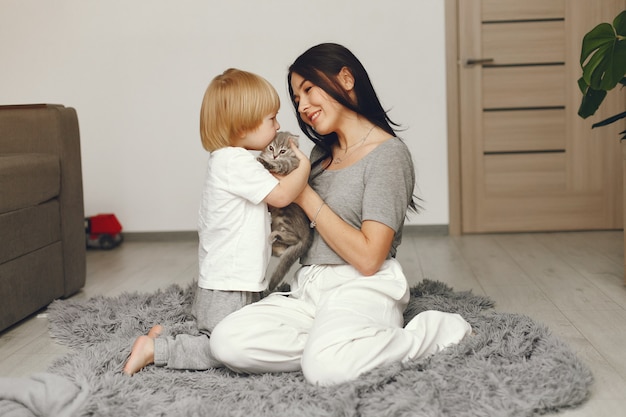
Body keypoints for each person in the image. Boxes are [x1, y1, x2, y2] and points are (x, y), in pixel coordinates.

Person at [209, 43, 472, 386]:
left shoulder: (388, 155)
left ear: (346, 78)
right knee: (227, 341)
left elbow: (368, 257)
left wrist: (303, 195)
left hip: (361, 286)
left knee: (327, 370)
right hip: (309, 287)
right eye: (296, 98)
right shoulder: (319, 154)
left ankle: (436, 331)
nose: (302, 106)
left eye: (307, 90)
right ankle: (338, 344)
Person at [123, 68, 310, 375]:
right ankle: (157, 349)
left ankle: (166, 336)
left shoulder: (232, 160)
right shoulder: (233, 162)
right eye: (271, 119)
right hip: (229, 285)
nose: (278, 126)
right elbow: (281, 197)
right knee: (222, 348)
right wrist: (303, 164)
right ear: (242, 126)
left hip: (232, 279)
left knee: (244, 331)